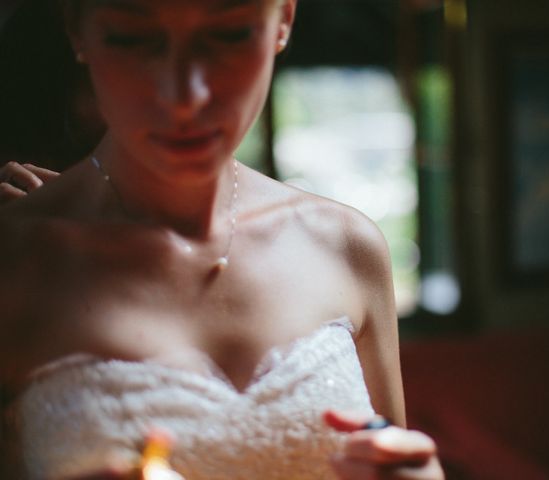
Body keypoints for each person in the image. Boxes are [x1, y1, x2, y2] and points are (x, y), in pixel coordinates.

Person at [0, 1, 444, 479]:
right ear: (77, 32)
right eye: (132, 38)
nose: (185, 95)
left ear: (284, 21)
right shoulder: (16, 259)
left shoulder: (348, 248)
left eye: (230, 36)